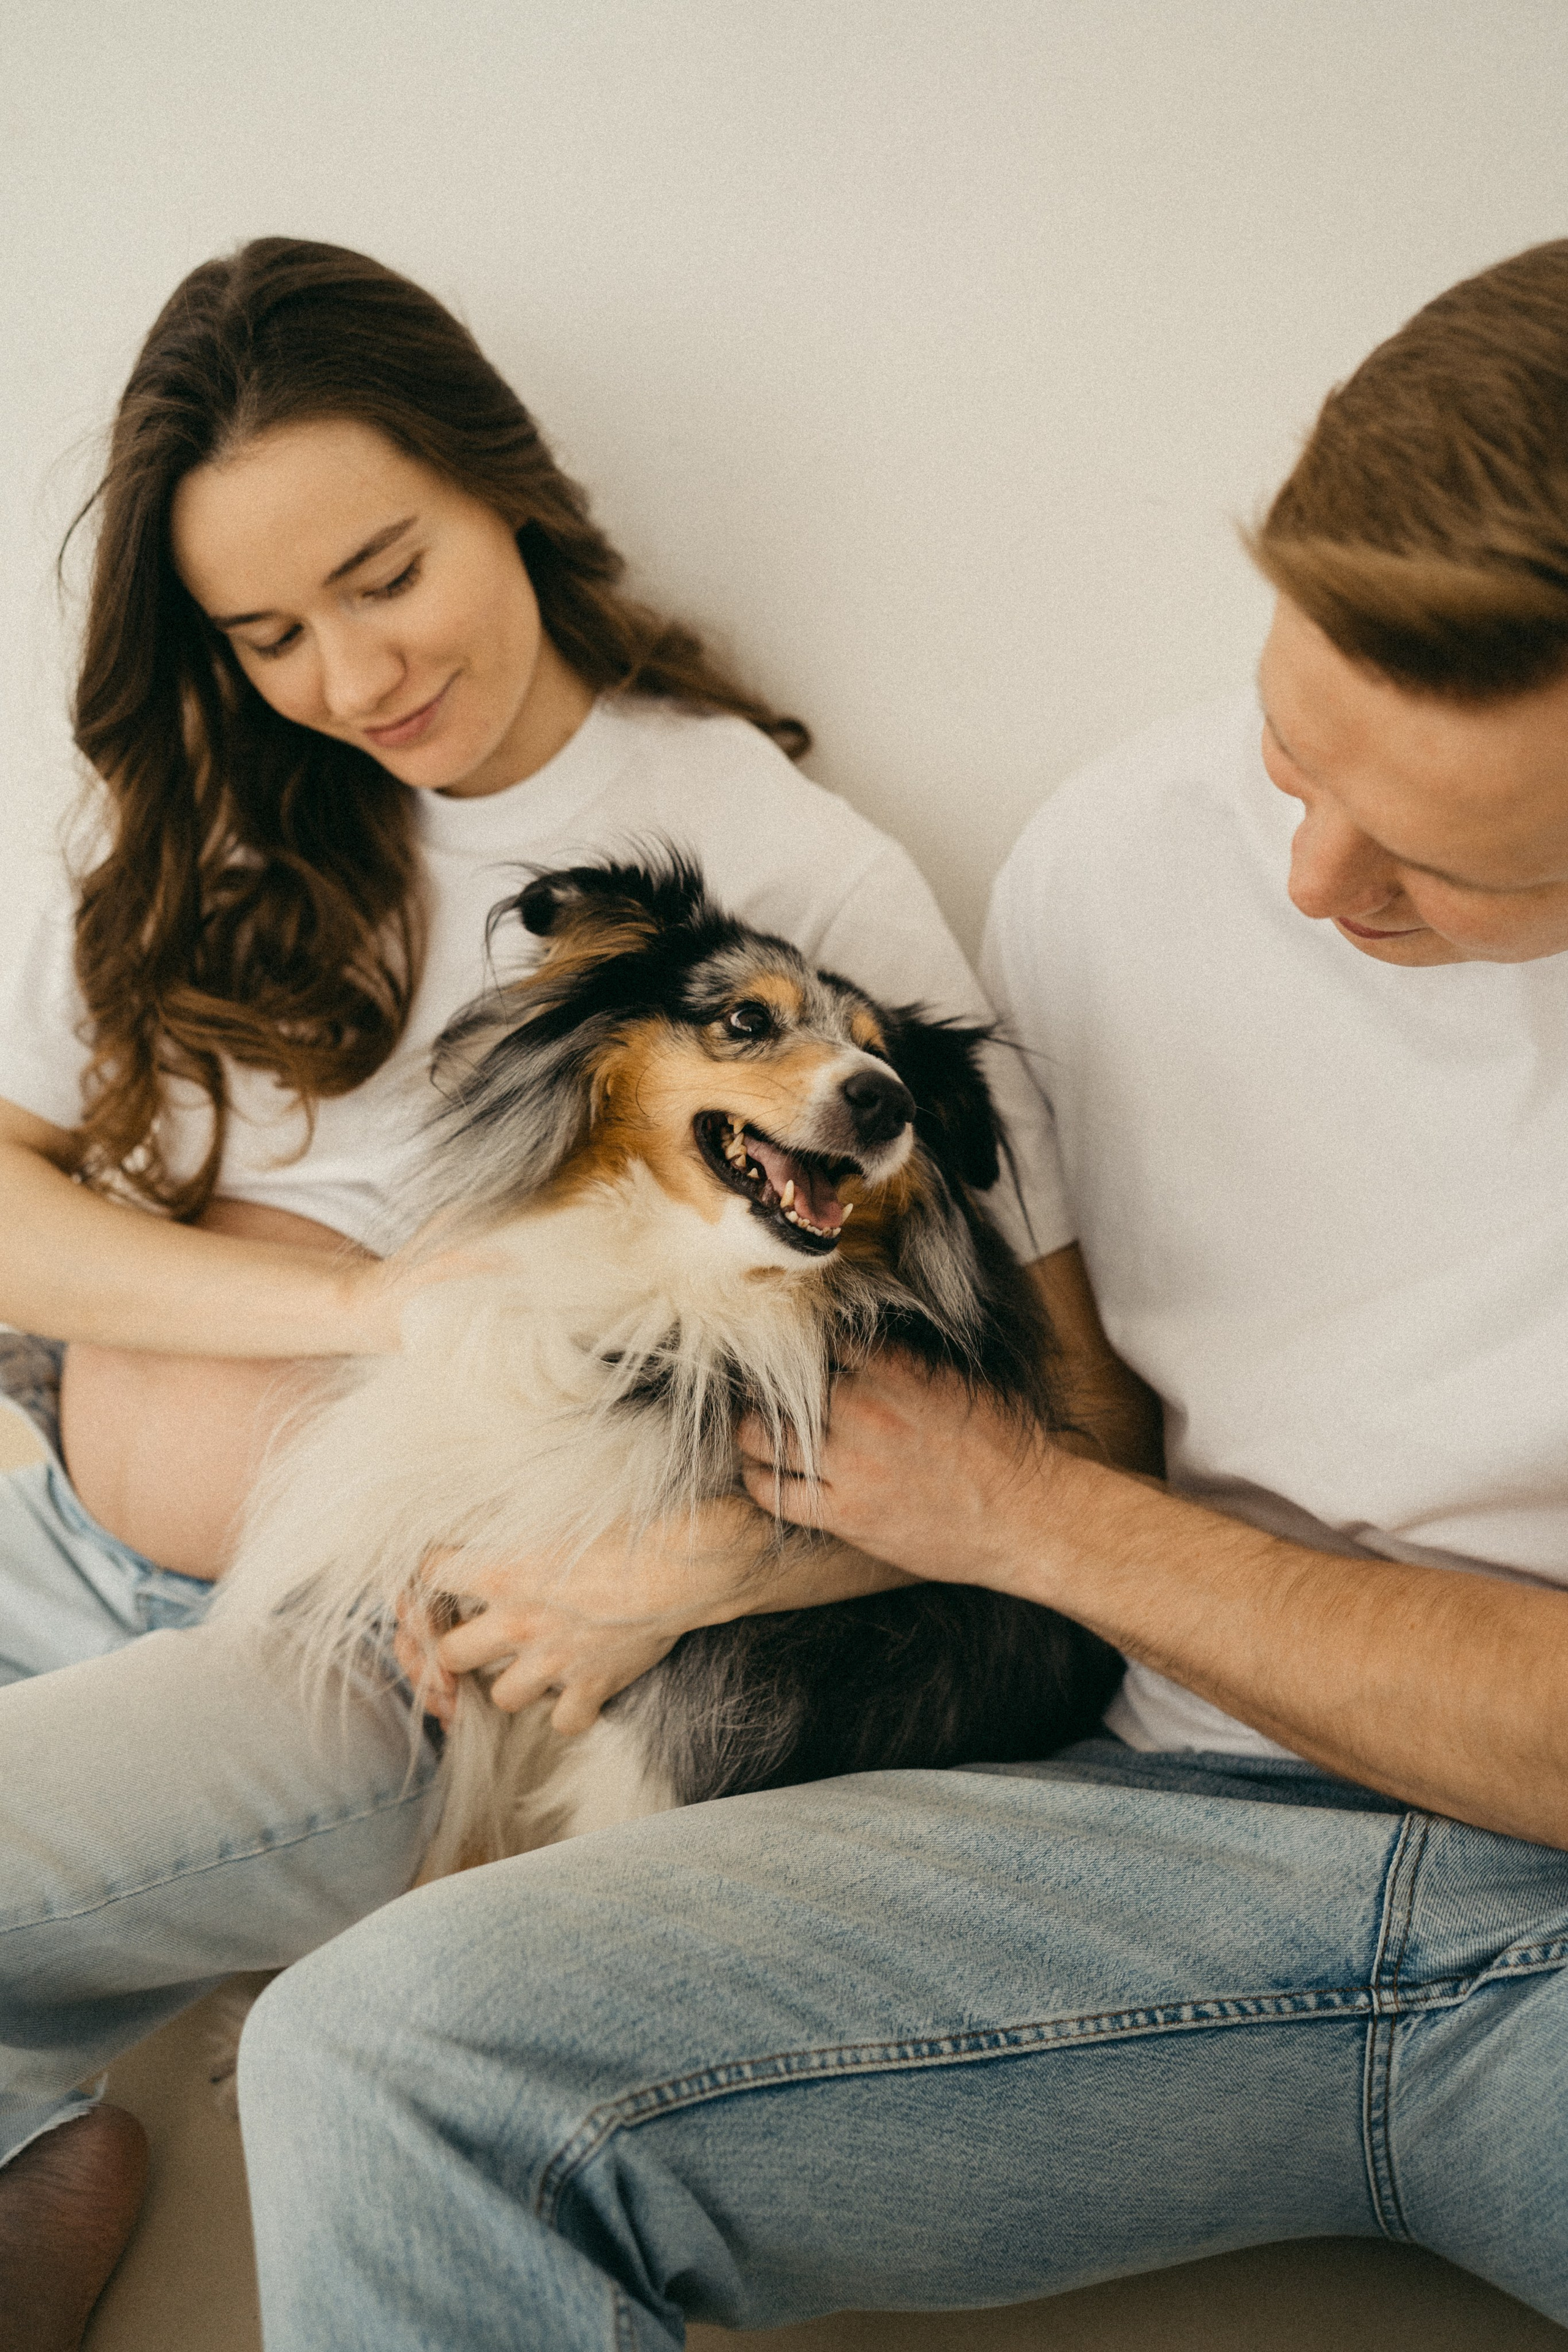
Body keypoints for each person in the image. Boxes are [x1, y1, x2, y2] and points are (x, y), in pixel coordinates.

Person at [226, 240, 1568, 2346]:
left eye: (1443, 863)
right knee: (375, 2053)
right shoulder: (1124, 856)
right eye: (1295, 759)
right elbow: (1043, 1384)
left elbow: (1047, 1490)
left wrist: (1029, 1524)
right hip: (1139, 1814)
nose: (1309, 885)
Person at [0, 237, 1061, 2352]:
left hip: (405, 1639)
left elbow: (1056, 1423)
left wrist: (693, 1571)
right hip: (50, 1519)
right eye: (271, 631)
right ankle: (38, 2136)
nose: (352, 674)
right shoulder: (219, 805)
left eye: (385, 573)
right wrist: (367, 1313)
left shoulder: (774, 866)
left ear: (503, 482)